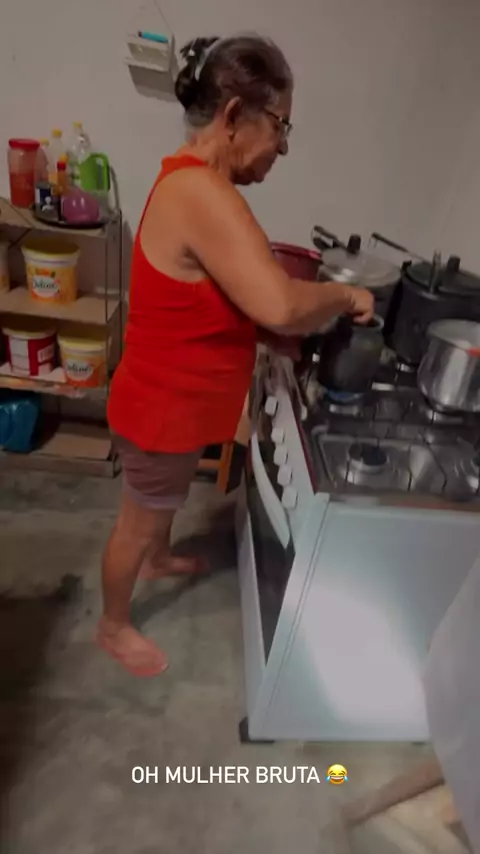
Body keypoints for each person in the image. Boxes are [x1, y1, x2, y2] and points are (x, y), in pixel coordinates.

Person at [97, 33, 374, 677]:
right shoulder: (201, 193)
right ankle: (112, 624)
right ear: (231, 116)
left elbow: (224, 300)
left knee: (159, 507)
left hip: (172, 406)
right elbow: (280, 305)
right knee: (136, 522)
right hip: (161, 412)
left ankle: (160, 558)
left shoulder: (190, 184)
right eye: (280, 125)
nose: (282, 145)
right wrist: (345, 295)